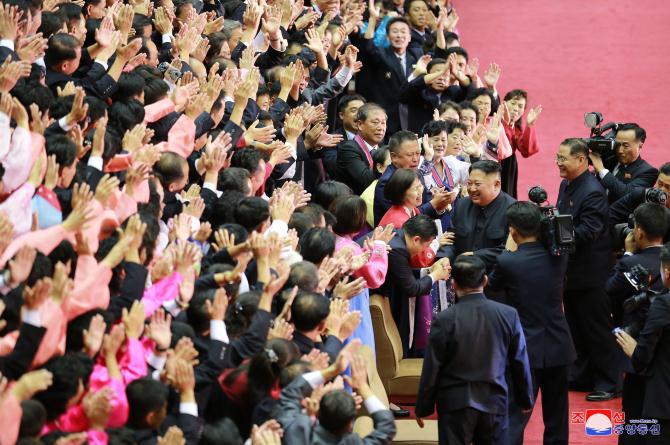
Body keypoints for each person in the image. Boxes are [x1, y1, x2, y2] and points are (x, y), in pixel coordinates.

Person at [415, 255, 534, 445]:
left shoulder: (444, 319)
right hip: (494, 400)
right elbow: (520, 361)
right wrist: (525, 398)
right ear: (485, 281)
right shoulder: (508, 315)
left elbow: (432, 366)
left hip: (455, 404)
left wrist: (423, 407)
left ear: (453, 284)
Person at [488, 202, 576, 445]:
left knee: (515, 414)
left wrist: (508, 250)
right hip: (559, 345)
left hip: (524, 349)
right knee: (557, 417)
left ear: (512, 230)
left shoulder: (509, 261)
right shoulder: (560, 257)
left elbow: (493, 286)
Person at [555, 137, 621, 401]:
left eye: (563, 158)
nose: (558, 162)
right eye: (557, 157)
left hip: (592, 274)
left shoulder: (592, 191)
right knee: (575, 327)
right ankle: (582, 375)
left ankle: (610, 381)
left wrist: (555, 233)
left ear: (581, 160)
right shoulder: (567, 184)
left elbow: (589, 231)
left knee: (596, 329)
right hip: (571, 272)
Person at [605, 203, 668, 445]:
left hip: (637, 351)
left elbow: (608, 292)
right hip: (663, 362)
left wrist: (628, 254)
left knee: (634, 421)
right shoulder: (666, 260)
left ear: (638, 232)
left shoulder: (630, 264)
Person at [278, 342, 397, 445]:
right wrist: (363, 386)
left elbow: (291, 391)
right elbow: (387, 425)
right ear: (350, 425)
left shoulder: (296, 433)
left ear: (318, 411)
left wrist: (333, 369)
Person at [615, 242, 670, 444]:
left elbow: (642, 357)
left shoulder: (663, 304)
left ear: (667, 271)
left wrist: (633, 350)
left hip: (661, 401)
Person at [382, 215, 451, 356]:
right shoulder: (398, 249)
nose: (424, 251)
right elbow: (412, 289)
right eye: (426, 246)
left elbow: (403, 273)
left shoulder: (399, 236)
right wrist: (436, 275)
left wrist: (429, 271)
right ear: (416, 240)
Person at [353, 15, 423, 135]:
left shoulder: (416, 56)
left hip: (411, 119)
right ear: (387, 36)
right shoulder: (381, 53)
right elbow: (368, 48)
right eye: (395, 31)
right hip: (386, 119)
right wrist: (373, 20)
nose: (399, 35)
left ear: (410, 37)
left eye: (403, 32)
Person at [443, 160, 516, 271]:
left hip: (494, 277)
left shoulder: (513, 210)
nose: (472, 189)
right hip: (461, 276)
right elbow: (450, 239)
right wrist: (445, 257)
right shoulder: (461, 204)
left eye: (477, 184)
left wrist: (476, 256)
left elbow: (511, 249)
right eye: (469, 183)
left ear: (496, 184)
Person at [374, 131, 454, 225]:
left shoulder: (416, 173)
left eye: (417, 153)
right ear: (394, 156)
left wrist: (440, 205)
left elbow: (428, 204)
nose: (416, 159)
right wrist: (433, 204)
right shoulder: (387, 182)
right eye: (410, 155)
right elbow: (405, 220)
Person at [589, 123, 658, 203]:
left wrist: (601, 169)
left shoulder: (648, 172)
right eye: (617, 144)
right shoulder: (610, 159)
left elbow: (627, 194)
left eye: (626, 146)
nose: (620, 150)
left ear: (640, 146)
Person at [334, 103, 388, 193]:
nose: (381, 128)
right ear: (360, 125)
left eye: (383, 123)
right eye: (375, 122)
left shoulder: (383, 149)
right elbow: (366, 180)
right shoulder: (349, 148)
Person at [500, 89, 542, 199]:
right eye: (513, 103)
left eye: (520, 106)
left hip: (508, 169)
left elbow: (527, 151)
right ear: (504, 103)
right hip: (495, 166)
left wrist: (530, 125)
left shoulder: (517, 130)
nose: (516, 109)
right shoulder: (493, 122)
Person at [609, 162, 670, 226]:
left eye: (668, 187)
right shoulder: (640, 195)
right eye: (660, 184)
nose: (662, 190)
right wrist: (626, 231)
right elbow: (610, 215)